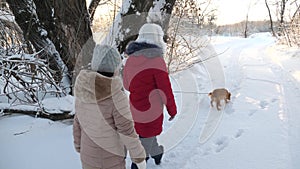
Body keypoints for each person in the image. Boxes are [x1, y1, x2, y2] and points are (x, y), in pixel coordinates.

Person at [73, 44, 147, 169]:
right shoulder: (116, 96)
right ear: (114, 68)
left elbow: (78, 122)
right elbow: (126, 130)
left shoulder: (83, 88)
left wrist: (78, 145)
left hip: (87, 155)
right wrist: (139, 158)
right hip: (110, 159)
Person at [122, 23, 177, 169]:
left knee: (144, 136)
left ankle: (157, 154)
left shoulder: (130, 60)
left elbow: (126, 85)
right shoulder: (157, 61)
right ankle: (143, 161)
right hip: (152, 110)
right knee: (144, 141)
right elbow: (165, 89)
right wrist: (172, 109)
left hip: (134, 107)